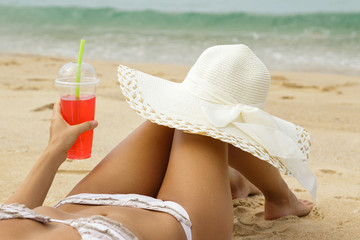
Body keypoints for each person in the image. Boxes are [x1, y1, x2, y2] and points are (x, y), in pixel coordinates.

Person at [0, 44, 315, 240]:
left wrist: (55, 149)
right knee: (213, 92)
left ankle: (229, 182)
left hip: (77, 208)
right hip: (177, 224)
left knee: (177, 114)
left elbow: (13, 213)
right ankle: (277, 198)